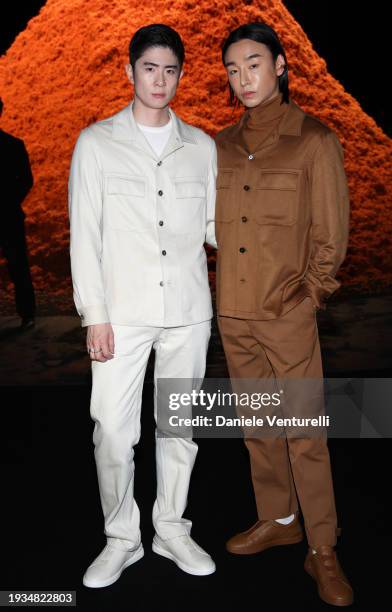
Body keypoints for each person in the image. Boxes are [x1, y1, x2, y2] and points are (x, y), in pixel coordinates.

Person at [68, 24, 217, 588]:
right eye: (149, 68)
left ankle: (171, 529)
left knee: (178, 428)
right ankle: (121, 538)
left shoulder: (201, 147)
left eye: (170, 69)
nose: (159, 80)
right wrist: (95, 315)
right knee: (111, 428)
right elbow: (85, 236)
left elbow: (215, 228)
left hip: (187, 311)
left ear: (181, 75)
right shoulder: (96, 143)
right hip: (122, 314)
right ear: (130, 72)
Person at [214, 22, 353, 607]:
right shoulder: (216, 146)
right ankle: (278, 519)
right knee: (258, 430)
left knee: (306, 436)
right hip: (234, 317)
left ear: (280, 65)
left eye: (253, 64)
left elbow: (332, 239)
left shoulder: (313, 141)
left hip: (287, 315)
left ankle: (322, 547)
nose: (243, 78)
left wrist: (310, 298)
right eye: (232, 69)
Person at [0, 97, 36, 329]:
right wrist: (10, 201)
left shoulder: (13, 145)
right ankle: (27, 314)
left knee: (19, 266)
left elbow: (26, 181)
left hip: (9, 213)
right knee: (18, 266)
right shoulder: (13, 145)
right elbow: (25, 181)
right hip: (10, 214)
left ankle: (28, 312)